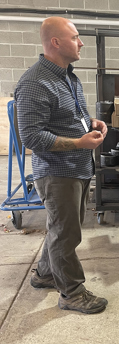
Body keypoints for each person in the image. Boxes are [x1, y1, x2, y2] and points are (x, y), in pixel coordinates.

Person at [15, 17, 109, 314]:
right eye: (75, 37)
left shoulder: (68, 76)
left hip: (77, 167)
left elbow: (70, 117)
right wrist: (79, 143)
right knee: (67, 234)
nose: (81, 43)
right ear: (55, 42)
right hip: (58, 172)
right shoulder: (34, 82)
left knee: (62, 229)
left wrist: (90, 123)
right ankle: (71, 293)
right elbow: (31, 136)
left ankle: (45, 274)